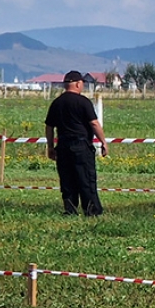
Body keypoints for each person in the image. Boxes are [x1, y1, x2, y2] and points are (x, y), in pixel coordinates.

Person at [45, 70, 107, 216]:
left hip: (63, 146)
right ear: (78, 84)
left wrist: (50, 147)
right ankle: (91, 210)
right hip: (81, 146)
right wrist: (103, 142)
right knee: (86, 178)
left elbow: (49, 127)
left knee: (67, 179)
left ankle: (70, 209)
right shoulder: (83, 102)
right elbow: (94, 124)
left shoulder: (57, 103)